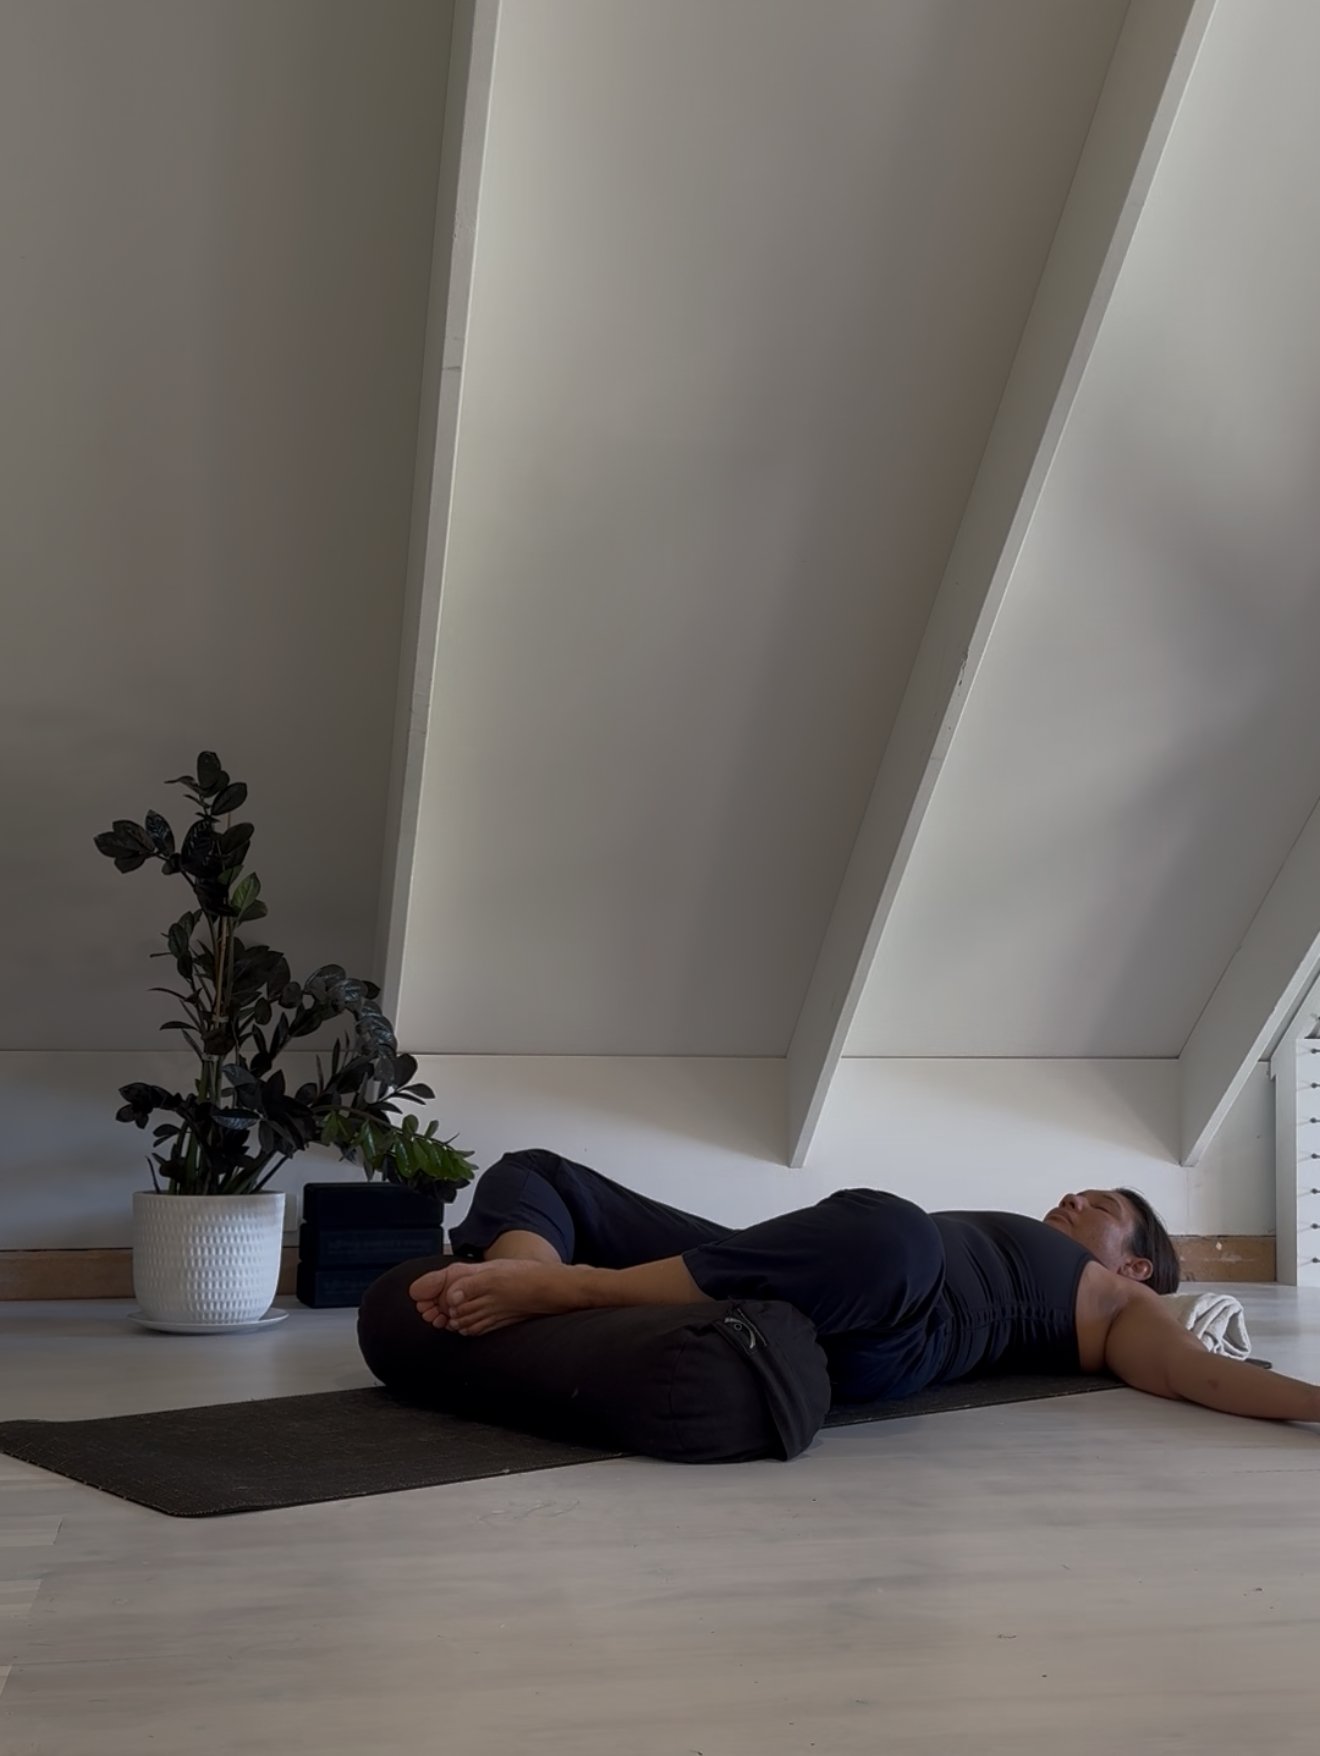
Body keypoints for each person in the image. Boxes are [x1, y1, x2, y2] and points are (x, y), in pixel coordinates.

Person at [402, 1149, 1320, 1423]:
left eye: (1099, 1204)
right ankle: (529, 1280)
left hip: (898, 1319)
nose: (1070, 1194)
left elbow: (1197, 1374)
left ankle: (567, 1295)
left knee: (894, 1230)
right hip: (788, 1267)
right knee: (535, 1173)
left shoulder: (1128, 1305)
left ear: (1137, 1264)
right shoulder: (1035, 1241)